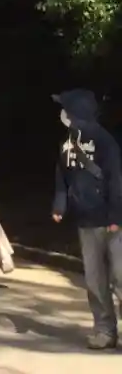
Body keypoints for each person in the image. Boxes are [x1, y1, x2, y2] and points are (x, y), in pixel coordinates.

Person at [52, 87, 122, 349]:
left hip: (112, 220)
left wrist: (116, 214)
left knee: (120, 277)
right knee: (94, 280)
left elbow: (115, 178)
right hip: (85, 220)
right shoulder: (66, 143)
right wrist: (60, 205)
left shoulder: (105, 141)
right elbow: (62, 176)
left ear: (77, 112)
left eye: (66, 110)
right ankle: (105, 330)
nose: (63, 115)